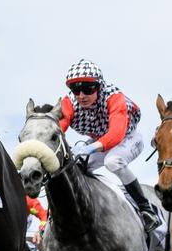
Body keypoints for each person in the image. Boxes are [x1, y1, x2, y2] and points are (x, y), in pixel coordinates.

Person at [58, 59, 160, 232]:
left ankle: (146, 209)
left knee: (113, 161)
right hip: (100, 141)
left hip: (127, 138)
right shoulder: (69, 103)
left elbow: (116, 134)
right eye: (76, 89)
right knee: (72, 167)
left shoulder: (114, 96)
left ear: (99, 86)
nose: (81, 95)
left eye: (88, 89)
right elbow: (59, 127)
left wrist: (90, 148)